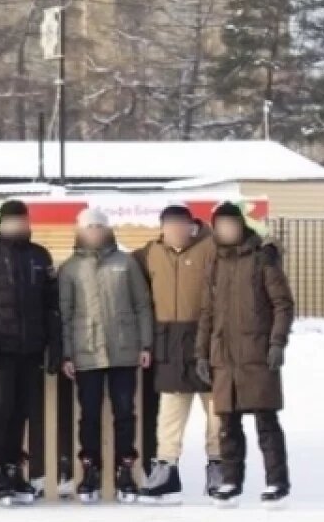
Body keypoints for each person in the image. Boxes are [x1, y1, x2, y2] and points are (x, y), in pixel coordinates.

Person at [197, 202, 294, 507]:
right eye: (221, 225)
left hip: (257, 354)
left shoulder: (262, 258)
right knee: (227, 426)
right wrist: (202, 353)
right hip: (224, 357)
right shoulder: (215, 261)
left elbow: (283, 304)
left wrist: (277, 343)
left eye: (232, 225)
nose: (227, 231)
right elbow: (207, 312)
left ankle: (276, 482)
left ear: (241, 226)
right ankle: (230, 481)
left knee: (266, 422)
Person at [0, 199, 61, 506]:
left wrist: (54, 344)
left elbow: (51, 304)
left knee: (22, 409)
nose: (19, 226)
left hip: (30, 346)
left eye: (23, 221)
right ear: (2, 224)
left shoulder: (39, 255)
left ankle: (13, 465)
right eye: (12, 221)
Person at [58, 209, 153, 504]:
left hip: (124, 351)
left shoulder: (125, 264)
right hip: (86, 352)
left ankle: (125, 469)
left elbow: (142, 305)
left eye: (99, 226)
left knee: (125, 413)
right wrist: (66, 353)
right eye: (89, 227)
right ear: (80, 231)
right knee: (88, 416)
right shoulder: (70, 268)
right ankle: (90, 470)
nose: (95, 232)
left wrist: (145, 344)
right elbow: (64, 314)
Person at [134, 204, 222, 502]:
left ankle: (219, 469)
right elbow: (118, 266)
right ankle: (167, 473)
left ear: (191, 226)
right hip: (169, 343)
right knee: (170, 414)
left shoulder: (213, 247)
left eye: (179, 226)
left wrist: (271, 246)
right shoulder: (151, 253)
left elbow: (249, 253)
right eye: (168, 226)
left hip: (206, 342)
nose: (174, 232)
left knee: (217, 411)